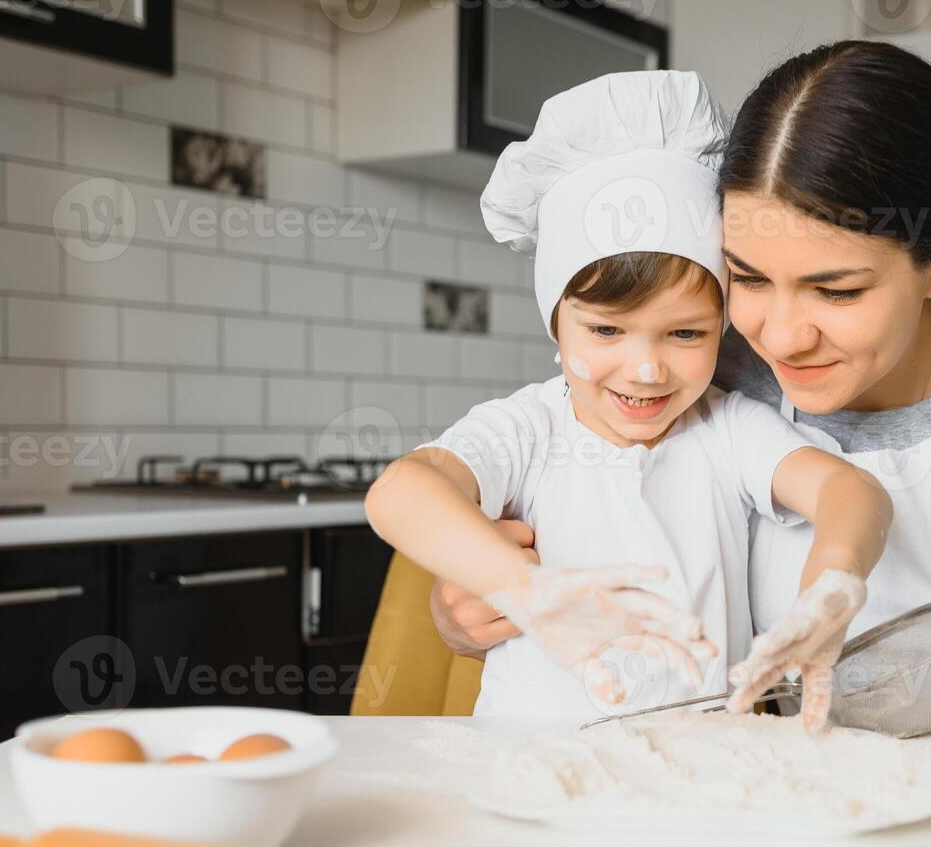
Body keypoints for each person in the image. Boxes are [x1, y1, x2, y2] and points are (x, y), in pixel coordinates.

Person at [428, 42, 931, 719]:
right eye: (749, 279)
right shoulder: (701, 371)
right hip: (795, 808)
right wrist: (470, 608)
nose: (782, 335)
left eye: (837, 291)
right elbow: (566, 508)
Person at [365, 70, 892, 728]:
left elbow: (852, 494)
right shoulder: (526, 431)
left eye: (685, 333)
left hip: (702, 774)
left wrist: (832, 581)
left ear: (722, 327)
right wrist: (528, 592)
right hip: (529, 769)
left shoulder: (725, 429)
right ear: (555, 321)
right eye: (606, 330)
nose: (645, 370)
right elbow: (398, 492)